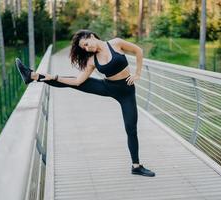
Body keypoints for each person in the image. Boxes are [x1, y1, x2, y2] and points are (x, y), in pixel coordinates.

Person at [15, 29, 155, 177]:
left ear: (92, 36)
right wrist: (53, 76)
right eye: (84, 48)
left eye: (87, 44)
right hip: (108, 87)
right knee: (73, 83)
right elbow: (77, 81)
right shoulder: (91, 60)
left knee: (131, 128)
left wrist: (137, 74)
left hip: (127, 92)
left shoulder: (116, 43)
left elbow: (138, 51)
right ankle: (33, 76)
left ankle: (136, 166)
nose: (87, 49)